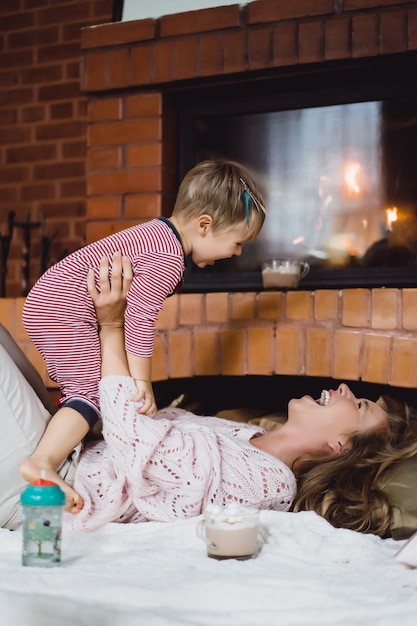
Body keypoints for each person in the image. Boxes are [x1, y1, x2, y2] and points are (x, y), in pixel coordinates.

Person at [59, 255, 416, 536]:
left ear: (339, 446)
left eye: (358, 405)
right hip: (67, 449)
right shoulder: (248, 435)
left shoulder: (266, 484)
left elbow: (133, 444)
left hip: (63, 488)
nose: (345, 390)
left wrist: (110, 326)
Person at [20, 159, 266, 513]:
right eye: (238, 242)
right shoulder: (167, 257)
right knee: (90, 390)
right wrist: (142, 381)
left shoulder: (157, 234)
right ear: (204, 225)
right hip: (63, 307)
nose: (237, 253)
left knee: (85, 386)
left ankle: (73, 435)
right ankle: (42, 461)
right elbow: (139, 319)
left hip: (53, 302)